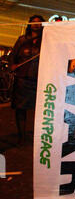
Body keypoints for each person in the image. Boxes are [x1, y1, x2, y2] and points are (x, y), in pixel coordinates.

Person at [9, 15, 45, 144]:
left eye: (39, 22)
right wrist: (12, 65)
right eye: (34, 22)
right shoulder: (22, 40)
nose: (36, 24)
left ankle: (39, 136)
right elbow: (13, 56)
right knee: (20, 108)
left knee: (41, 110)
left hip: (40, 79)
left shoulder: (47, 40)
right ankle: (22, 136)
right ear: (29, 24)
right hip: (23, 79)